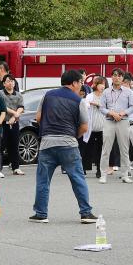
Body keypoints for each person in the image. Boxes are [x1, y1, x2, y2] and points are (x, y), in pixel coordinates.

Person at [30, 70, 98, 223]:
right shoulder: (78, 100)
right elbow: (85, 126)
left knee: (43, 180)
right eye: (80, 82)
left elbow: (38, 117)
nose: (81, 85)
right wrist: (73, 136)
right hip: (68, 144)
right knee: (77, 178)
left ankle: (41, 214)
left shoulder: (48, 95)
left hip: (47, 143)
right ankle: (86, 213)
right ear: (73, 83)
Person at [98, 69, 133, 184]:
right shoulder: (106, 92)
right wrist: (112, 113)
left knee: (124, 149)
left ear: (123, 78)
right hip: (109, 121)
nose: (117, 78)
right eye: (114, 75)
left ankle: (125, 174)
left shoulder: (128, 92)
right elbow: (101, 107)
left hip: (123, 121)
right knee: (106, 149)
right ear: (111, 77)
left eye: (119, 76)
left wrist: (122, 113)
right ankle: (103, 174)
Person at [1, 74, 26, 176]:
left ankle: (16, 167)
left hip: (14, 123)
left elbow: (21, 107)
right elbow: (3, 106)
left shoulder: (19, 95)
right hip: (3, 123)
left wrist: (14, 117)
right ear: (4, 83)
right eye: (8, 81)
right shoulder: (0, 94)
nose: (10, 83)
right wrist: (14, 113)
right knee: (1, 145)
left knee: (14, 146)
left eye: (12, 81)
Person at [83, 76, 107, 179]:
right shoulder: (90, 95)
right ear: (96, 85)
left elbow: (108, 107)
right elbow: (85, 104)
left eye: (104, 84)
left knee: (101, 150)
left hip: (103, 127)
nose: (103, 86)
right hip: (91, 127)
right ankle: (84, 168)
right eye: (101, 84)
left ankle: (99, 169)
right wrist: (93, 103)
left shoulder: (106, 96)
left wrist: (99, 105)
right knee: (88, 148)